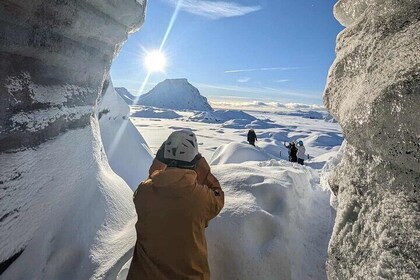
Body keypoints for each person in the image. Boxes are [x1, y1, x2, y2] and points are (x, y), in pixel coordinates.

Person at [127, 130, 224, 280]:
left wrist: (158, 162)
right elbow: (218, 195)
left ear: (164, 156)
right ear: (193, 160)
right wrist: (202, 167)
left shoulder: (144, 192)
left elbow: (151, 180)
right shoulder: (201, 198)